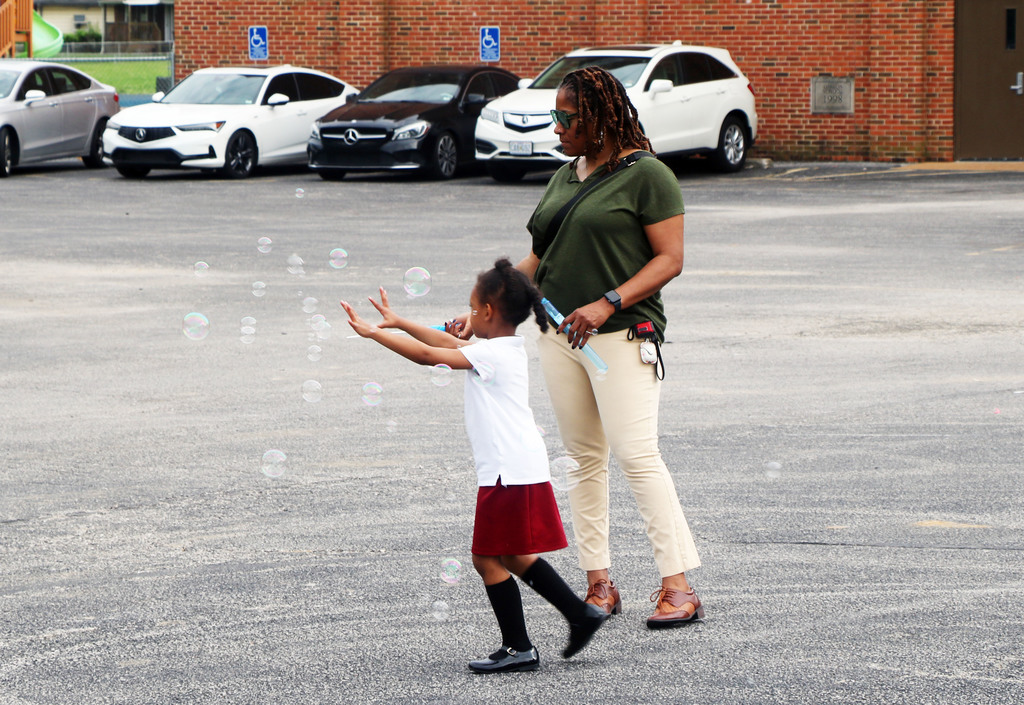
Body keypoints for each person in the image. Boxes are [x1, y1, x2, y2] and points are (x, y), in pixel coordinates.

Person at [341, 258, 608, 673]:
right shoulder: (500, 349)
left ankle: (521, 647)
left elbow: (433, 355)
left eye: (470, 306)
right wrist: (399, 322)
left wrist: (376, 333)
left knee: (487, 558)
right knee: (515, 556)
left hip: (507, 471)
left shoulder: (494, 356)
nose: (464, 316)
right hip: (515, 467)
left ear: (486, 312)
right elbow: (442, 344)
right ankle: (580, 614)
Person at [519, 66, 703, 628]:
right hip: (558, 336)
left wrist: (608, 302)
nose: (556, 128)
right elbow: (538, 260)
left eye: (565, 118)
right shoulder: (564, 177)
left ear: (597, 117)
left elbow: (669, 260)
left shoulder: (648, 175)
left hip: (623, 336)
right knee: (583, 461)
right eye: (555, 117)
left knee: (637, 456)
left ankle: (678, 586)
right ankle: (598, 584)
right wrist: (486, 308)